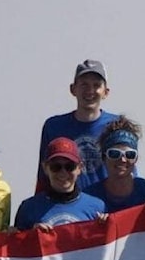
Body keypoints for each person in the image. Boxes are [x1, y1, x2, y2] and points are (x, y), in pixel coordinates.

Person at [36, 59, 120, 193]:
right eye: (84, 85)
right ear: (73, 89)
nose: (90, 91)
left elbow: (128, 172)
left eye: (96, 85)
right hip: (67, 205)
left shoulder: (117, 126)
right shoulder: (54, 126)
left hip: (107, 206)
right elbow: (43, 177)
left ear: (106, 92)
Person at [15, 138, 107, 230]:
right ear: (45, 168)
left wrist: (106, 225)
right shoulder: (28, 208)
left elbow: (108, 242)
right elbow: (16, 242)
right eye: (56, 167)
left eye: (69, 167)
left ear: (80, 168)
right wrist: (31, 236)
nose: (63, 173)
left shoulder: (97, 207)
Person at [88, 116, 145, 212]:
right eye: (115, 154)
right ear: (104, 157)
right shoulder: (89, 198)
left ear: (136, 159)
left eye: (130, 154)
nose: (123, 160)